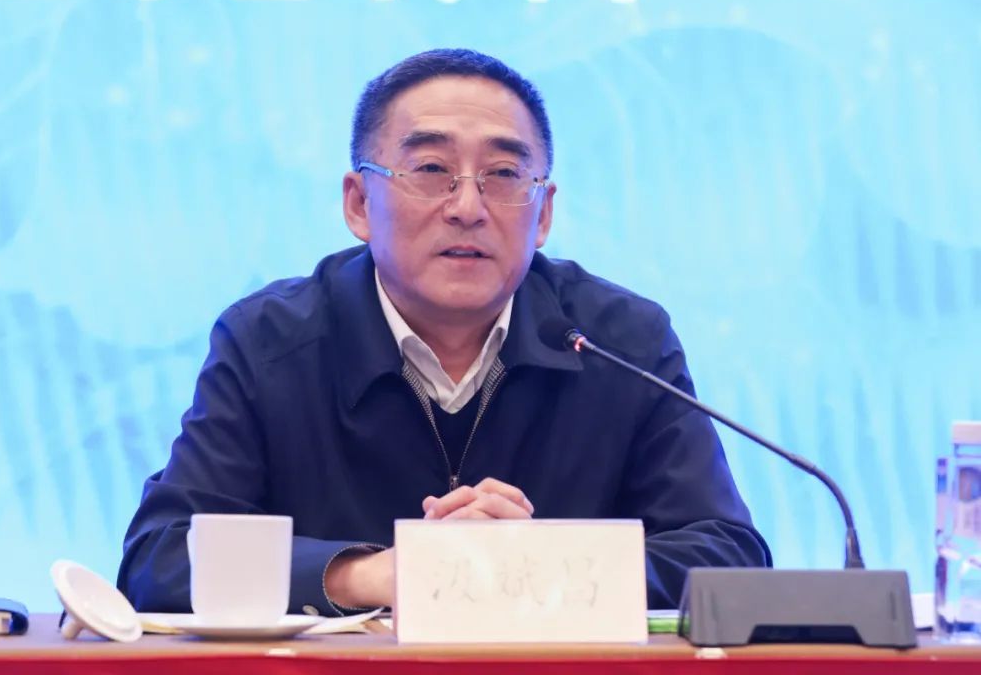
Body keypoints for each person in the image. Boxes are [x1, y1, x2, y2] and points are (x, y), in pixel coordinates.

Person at [117, 48, 770, 616]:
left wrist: (541, 567)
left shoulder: (620, 341)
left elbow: (730, 559)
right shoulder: (269, 342)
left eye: (504, 175)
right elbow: (161, 558)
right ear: (358, 204)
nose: (467, 207)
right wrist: (374, 574)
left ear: (543, 214)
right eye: (430, 170)